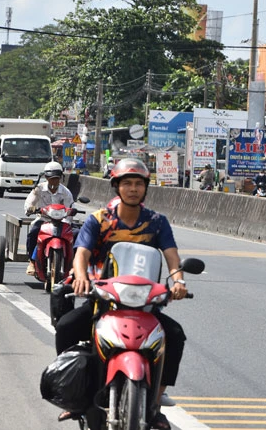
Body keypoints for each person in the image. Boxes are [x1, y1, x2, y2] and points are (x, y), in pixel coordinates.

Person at [56, 158, 187, 429]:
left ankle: (158, 398)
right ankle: (73, 394)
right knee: (67, 327)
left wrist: (178, 281)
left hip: (146, 304)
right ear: (116, 187)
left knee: (174, 336)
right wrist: (81, 278)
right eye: (127, 183)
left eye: (139, 184)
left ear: (145, 189)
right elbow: (82, 254)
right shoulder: (98, 220)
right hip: (104, 300)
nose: (133, 189)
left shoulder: (157, 222)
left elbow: (172, 258)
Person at [23, 162, 75, 276]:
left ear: (61, 178)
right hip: (43, 220)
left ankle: (73, 264)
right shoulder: (38, 189)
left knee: (75, 234)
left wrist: (70, 213)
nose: (54, 181)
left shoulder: (65, 192)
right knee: (33, 233)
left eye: (56, 179)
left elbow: (70, 208)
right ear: (46, 177)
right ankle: (32, 261)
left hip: (62, 221)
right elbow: (29, 202)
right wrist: (31, 208)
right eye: (51, 179)